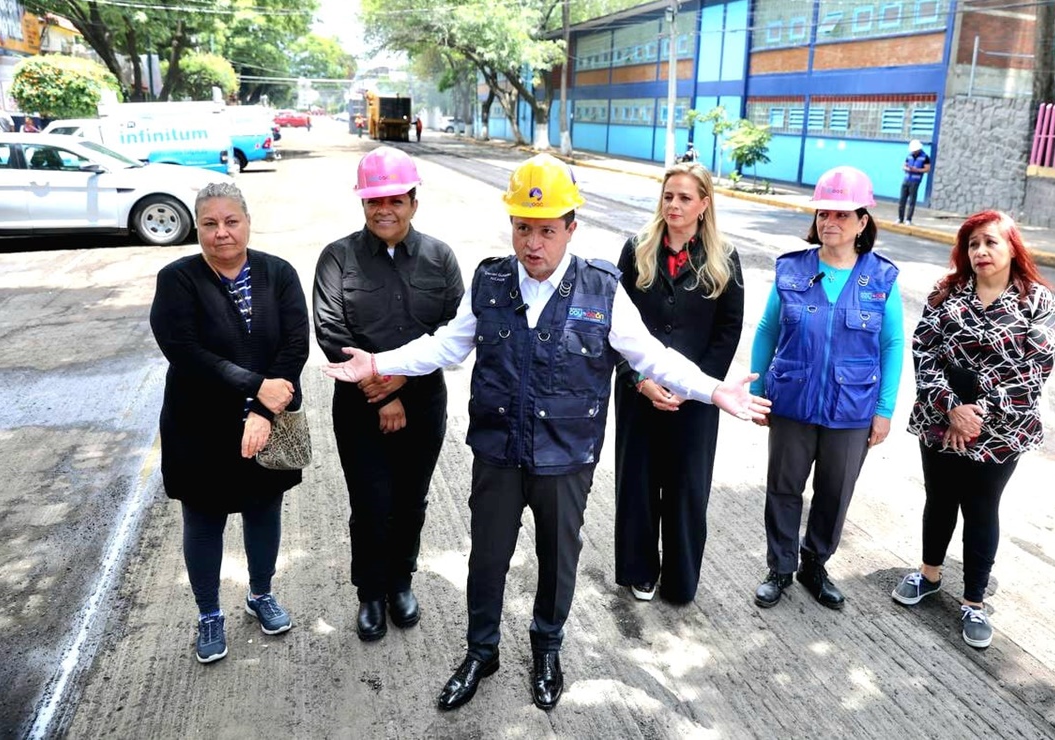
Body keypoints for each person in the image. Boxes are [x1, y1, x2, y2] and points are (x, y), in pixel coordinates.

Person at [323, 153, 770, 713]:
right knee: (486, 559)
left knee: (558, 561)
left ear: (571, 229)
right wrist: (378, 362)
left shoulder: (603, 289)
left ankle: (547, 648)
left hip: (566, 455)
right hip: (499, 451)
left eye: (546, 231)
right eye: (523, 228)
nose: (533, 244)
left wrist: (713, 389)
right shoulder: (488, 281)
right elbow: (446, 344)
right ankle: (481, 652)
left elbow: (651, 355)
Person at [149, 182, 310, 664]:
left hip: (268, 422)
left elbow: (295, 345)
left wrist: (263, 410)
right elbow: (185, 351)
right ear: (198, 227)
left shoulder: (278, 273)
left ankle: (260, 593)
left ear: (246, 221)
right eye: (210, 224)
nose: (222, 233)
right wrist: (255, 386)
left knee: (264, 510)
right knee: (203, 520)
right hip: (199, 427)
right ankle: (208, 614)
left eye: (230, 221)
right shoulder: (177, 278)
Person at [313, 148, 464, 642]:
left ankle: (401, 581)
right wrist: (381, 395)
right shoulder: (338, 258)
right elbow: (331, 332)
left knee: (411, 499)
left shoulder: (439, 258)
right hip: (358, 406)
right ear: (362, 204)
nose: (385, 210)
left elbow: (455, 330)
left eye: (395, 200)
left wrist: (401, 380)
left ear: (413, 203)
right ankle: (370, 593)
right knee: (371, 501)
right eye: (374, 200)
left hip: (423, 402)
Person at [893, 210, 1055, 650]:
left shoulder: (1036, 300)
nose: (981, 252)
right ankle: (929, 575)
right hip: (940, 418)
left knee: (982, 507)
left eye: (990, 242)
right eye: (972, 244)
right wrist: (951, 408)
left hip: (1004, 427)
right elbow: (924, 350)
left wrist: (977, 412)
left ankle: (973, 601)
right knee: (941, 498)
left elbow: (1035, 369)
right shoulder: (946, 293)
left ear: (1011, 248)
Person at [750, 165, 904, 612]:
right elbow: (766, 331)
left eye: (840, 215)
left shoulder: (881, 279)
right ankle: (780, 566)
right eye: (822, 214)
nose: (828, 223)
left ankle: (814, 564)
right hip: (792, 400)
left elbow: (892, 344)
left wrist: (885, 409)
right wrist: (757, 392)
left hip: (852, 406)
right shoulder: (792, 270)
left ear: (862, 222)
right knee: (783, 487)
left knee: (835, 492)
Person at [612, 162, 744, 605]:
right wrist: (639, 380)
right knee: (639, 484)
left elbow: (728, 330)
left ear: (704, 205)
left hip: (697, 398)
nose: (674, 205)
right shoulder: (636, 250)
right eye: (669, 196)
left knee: (687, 489)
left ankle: (680, 580)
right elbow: (613, 323)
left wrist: (697, 386)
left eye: (685, 197)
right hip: (640, 393)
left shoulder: (724, 259)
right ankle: (640, 571)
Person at [897, 139, 931, 225]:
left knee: (912, 201)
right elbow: (904, 165)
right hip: (906, 179)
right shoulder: (909, 156)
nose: (914, 152)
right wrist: (907, 168)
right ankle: (900, 218)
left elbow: (927, 169)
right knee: (902, 200)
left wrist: (917, 170)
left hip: (915, 181)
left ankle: (908, 219)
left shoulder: (925, 157)